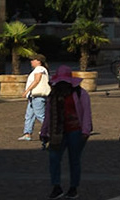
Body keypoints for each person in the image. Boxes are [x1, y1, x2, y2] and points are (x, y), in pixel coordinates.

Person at [41, 65, 92, 199]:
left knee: (74, 160)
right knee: (54, 159)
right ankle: (56, 186)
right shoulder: (53, 95)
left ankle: (73, 187)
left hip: (76, 131)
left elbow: (86, 112)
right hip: (57, 131)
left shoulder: (80, 93)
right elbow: (48, 114)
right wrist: (44, 131)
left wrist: (86, 130)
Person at [22, 54, 52, 140]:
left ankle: (51, 129)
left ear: (39, 61)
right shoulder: (41, 69)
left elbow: (36, 80)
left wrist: (27, 90)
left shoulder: (39, 69)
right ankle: (27, 133)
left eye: (33, 60)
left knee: (40, 115)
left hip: (37, 95)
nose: (31, 62)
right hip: (33, 96)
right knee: (29, 115)